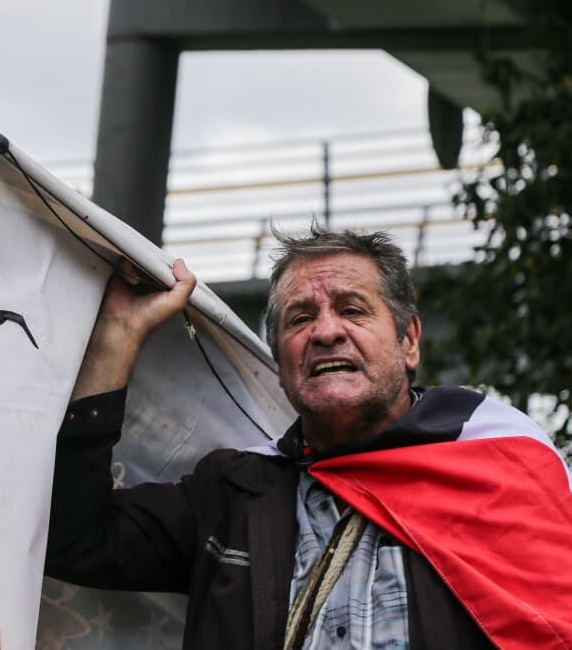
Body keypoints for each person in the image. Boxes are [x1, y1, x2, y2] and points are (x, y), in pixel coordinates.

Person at [43, 225, 568, 648]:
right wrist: (118, 336)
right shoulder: (231, 491)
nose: (325, 331)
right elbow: (70, 541)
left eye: (352, 309)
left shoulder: (497, 459)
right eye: (300, 318)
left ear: (409, 340)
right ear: (279, 362)